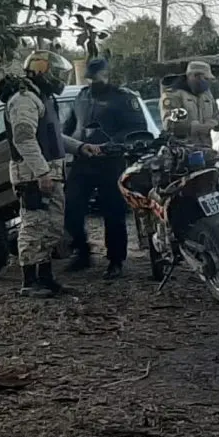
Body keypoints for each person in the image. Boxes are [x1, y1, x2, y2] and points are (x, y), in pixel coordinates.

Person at [0, 50, 100, 297]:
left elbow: (52, 136)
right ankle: (30, 281)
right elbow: (24, 138)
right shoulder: (24, 99)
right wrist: (42, 171)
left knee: (52, 228)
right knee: (34, 226)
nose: (57, 78)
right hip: (33, 175)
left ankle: (46, 278)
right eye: (53, 71)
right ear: (42, 70)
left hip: (48, 174)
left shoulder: (41, 97)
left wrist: (79, 147)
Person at [63, 58, 148, 279]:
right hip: (83, 161)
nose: (92, 82)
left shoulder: (122, 98)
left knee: (113, 213)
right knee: (71, 208)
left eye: (96, 77)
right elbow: (70, 126)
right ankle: (82, 252)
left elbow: (137, 128)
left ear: (106, 75)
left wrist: (111, 145)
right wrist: (67, 144)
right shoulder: (82, 96)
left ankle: (116, 260)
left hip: (111, 162)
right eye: (89, 78)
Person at [159, 60, 219, 148]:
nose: (208, 82)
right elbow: (169, 124)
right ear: (195, 76)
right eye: (205, 79)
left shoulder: (206, 96)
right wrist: (193, 127)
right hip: (182, 150)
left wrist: (215, 122)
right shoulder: (173, 96)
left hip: (205, 148)